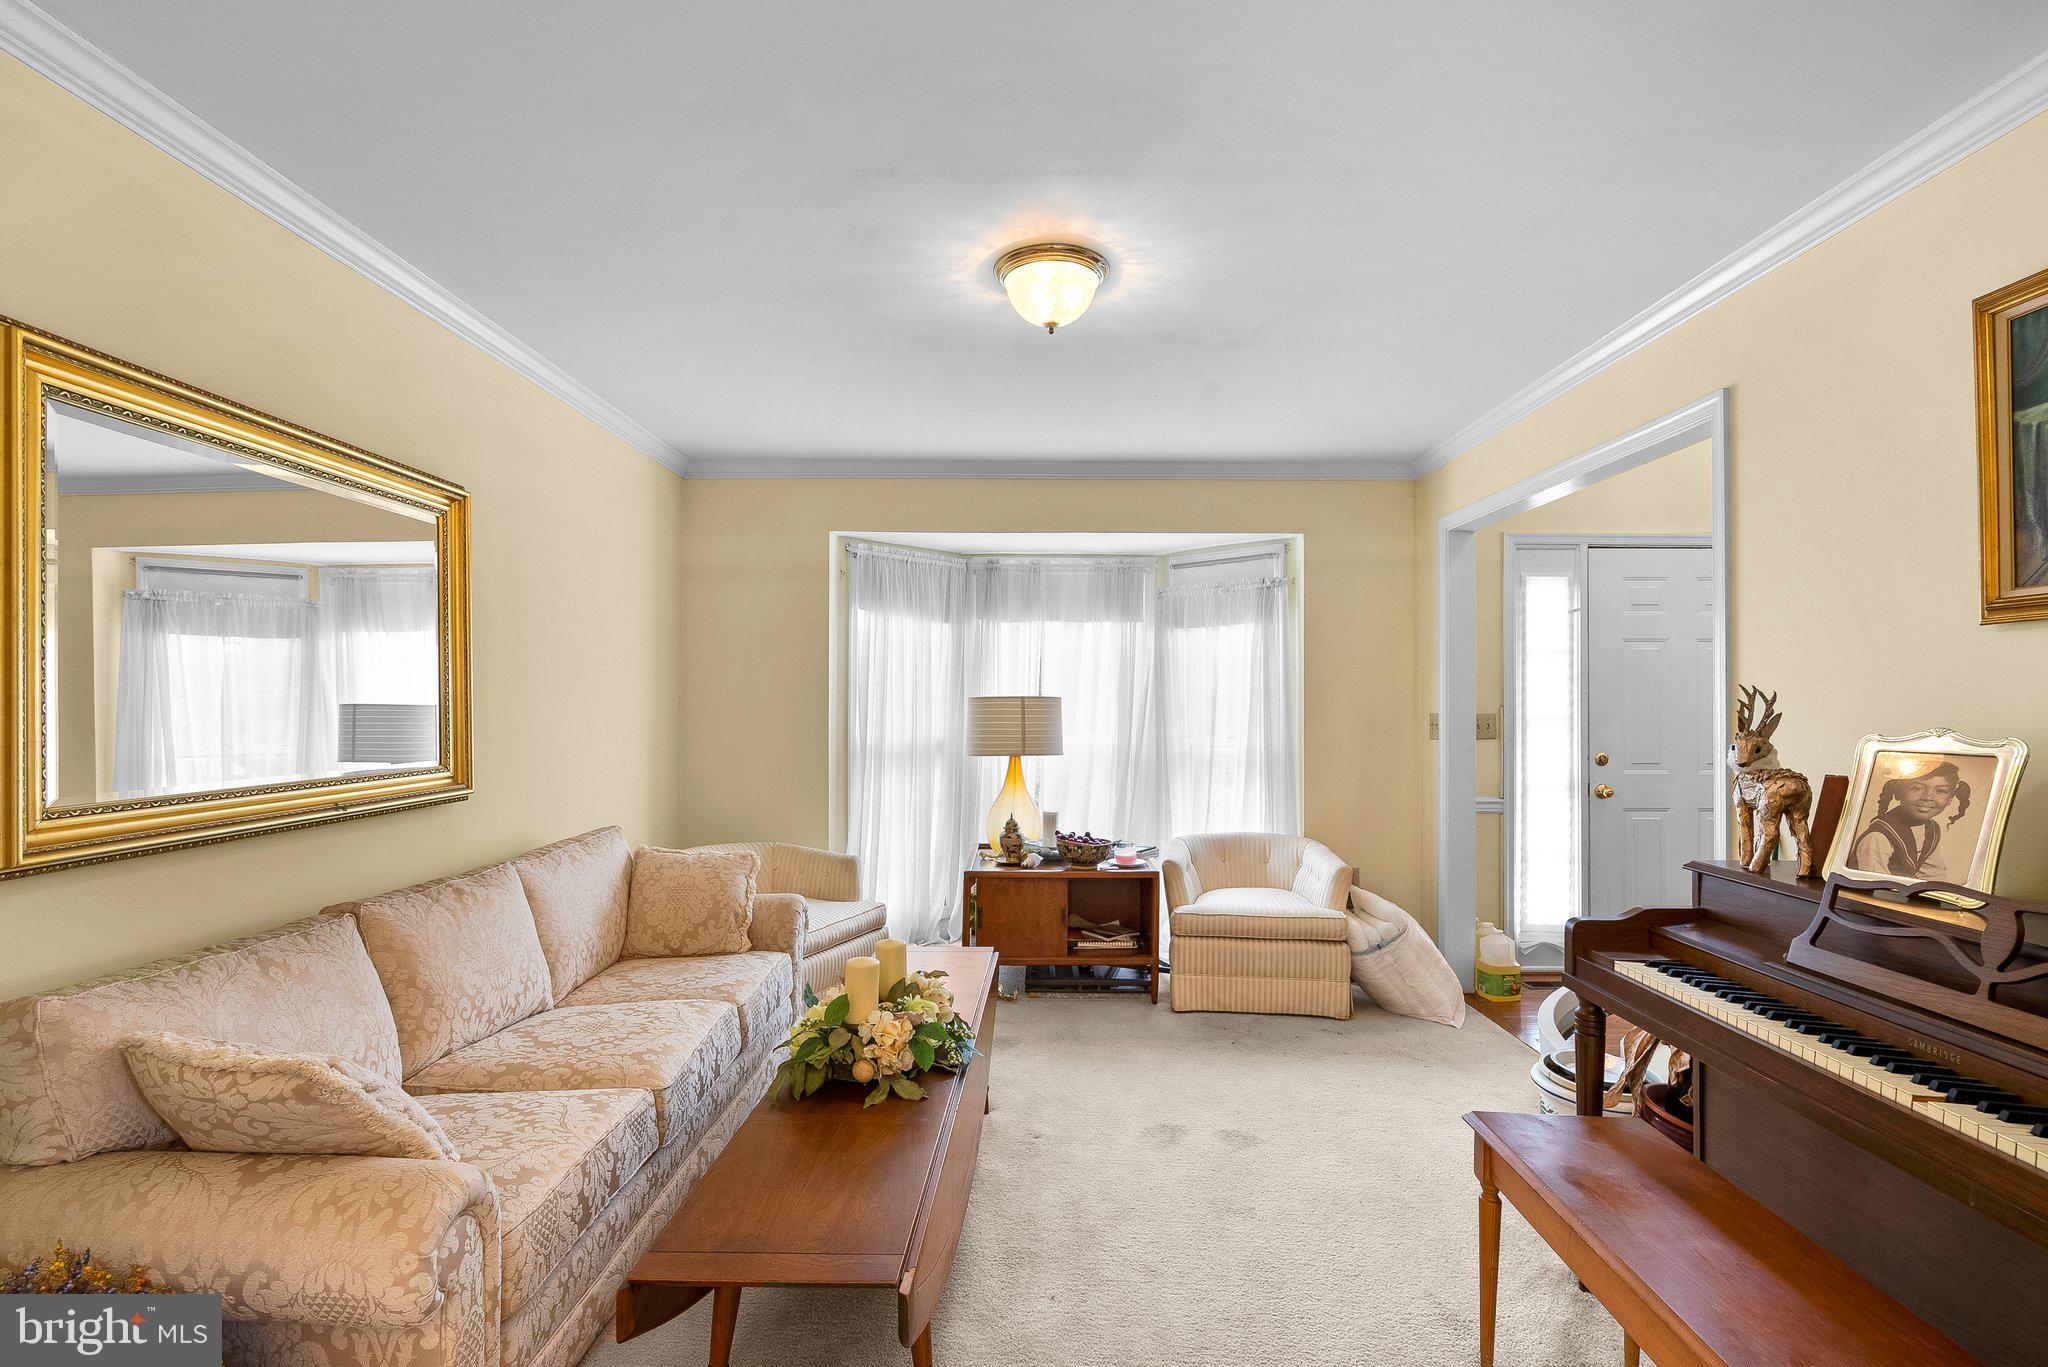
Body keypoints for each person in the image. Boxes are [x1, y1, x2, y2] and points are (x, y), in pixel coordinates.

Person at [1849, 760, 1971, 880]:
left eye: (1940, 791)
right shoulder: (1878, 837)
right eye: (1917, 788)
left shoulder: (1931, 830)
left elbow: (1933, 876)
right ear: (1899, 792)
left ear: (1950, 798)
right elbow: (1874, 885)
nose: (1928, 797)